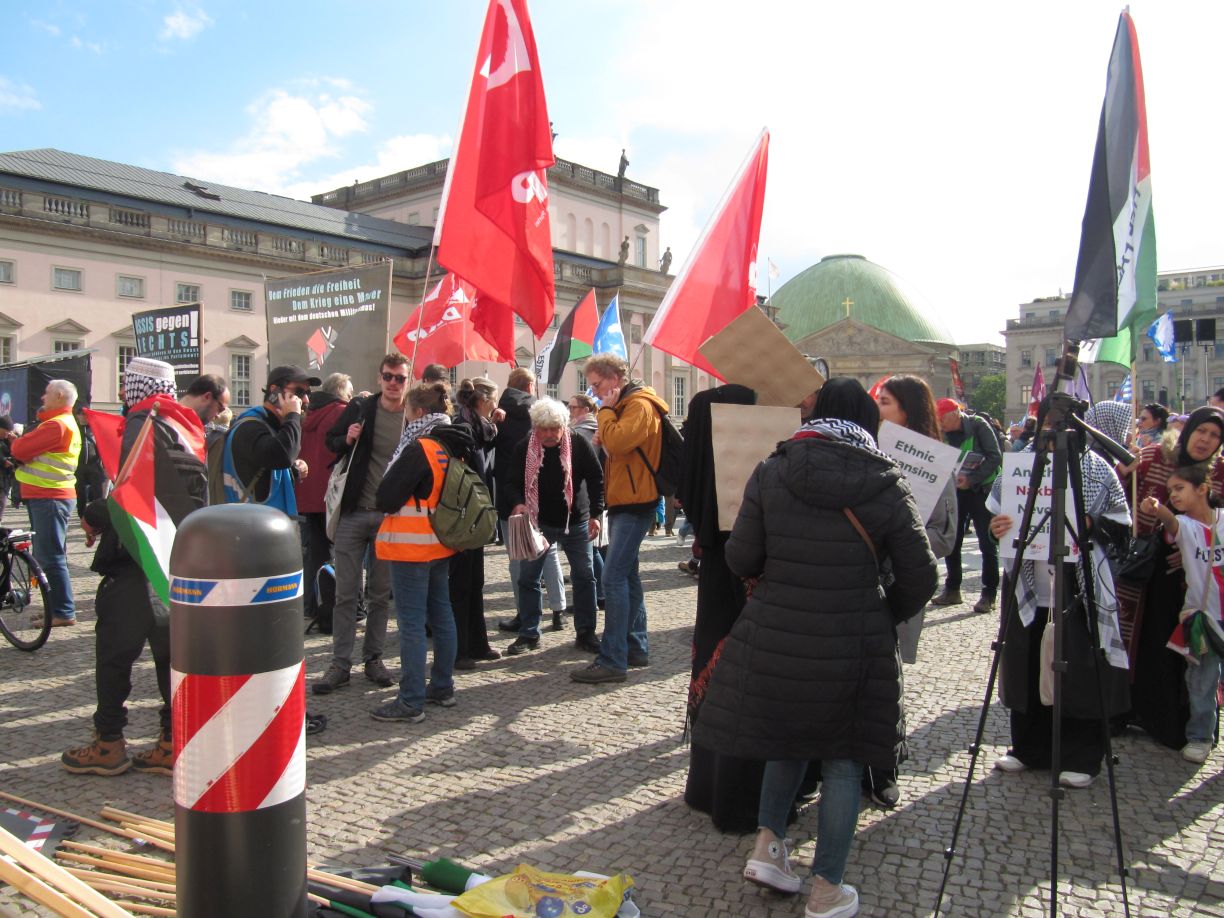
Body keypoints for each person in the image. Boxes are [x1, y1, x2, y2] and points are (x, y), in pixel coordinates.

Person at [694, 378, 937, 918]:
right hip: (854, 641)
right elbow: (923, 577)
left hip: (779, 635)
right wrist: (883, 611)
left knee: (787, 742)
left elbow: (739, 559)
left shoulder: (772, 469)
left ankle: (769, 848)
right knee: (844, 763)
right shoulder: (886, 481)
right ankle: (827, 888)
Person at [60, 360, 209, 776]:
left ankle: (108, 743)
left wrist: (93, 512)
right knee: (169, 656)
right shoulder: (182, 424)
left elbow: (131, 497)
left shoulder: (144, 424)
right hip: (176, 560)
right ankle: (170, 739)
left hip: (136, 561)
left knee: (113, 656)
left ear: (135, 388)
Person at [988, 398, 1132, 788]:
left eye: (1060, 424)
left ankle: (1082, 755)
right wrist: (997, 526)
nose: (1053, 431)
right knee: (1027, 665)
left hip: (1078, 588)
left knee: (1081, 673)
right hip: (1030, 585)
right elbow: (998, 514)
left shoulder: (1096, 468)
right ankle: (1028, 747)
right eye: (1047, 423)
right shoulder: (1021, 466)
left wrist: (1090, 521)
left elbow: (1122, 527)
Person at [680, 382, 766, 833]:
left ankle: (705, 785)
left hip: (716, 568)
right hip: (747, 580)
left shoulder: (703, 493)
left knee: (713, 671)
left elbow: (692, 493)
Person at [871, 374, 958, 808]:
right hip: (859, 579)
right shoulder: (868, 449)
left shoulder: (936, 462)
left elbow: (946, 534)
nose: (878, 409)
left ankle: (884, 769)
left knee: (888, 679)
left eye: (884, 402)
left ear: (907, 408)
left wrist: (904, 549)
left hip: (901, 584)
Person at [1117, 405, 1224, 748]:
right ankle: (1140, 712)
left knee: (1197, 653)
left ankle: (1190, 724)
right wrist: (1125, 471)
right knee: (1151, 642)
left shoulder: (1219, 471)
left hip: (1199, 580)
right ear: (1189, 429)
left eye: (1215, 436)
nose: (1205, 440)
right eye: (1201, 431)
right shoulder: (1155, 456)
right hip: (1152, 572)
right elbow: (1120, 492)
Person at [371, 382, 475, 723]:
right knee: (442, 614)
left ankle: (411, 700)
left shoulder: (420, 448)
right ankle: (442, 686)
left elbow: (385, 497)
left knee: (412, 624)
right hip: (440, 543)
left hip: (410, 545)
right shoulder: (452, 445)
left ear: (416, 413)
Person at [312, 356, 408, 694]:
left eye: (400, 378)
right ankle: (340, 663)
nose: (394, 383)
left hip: (389, 516)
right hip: (353, 511)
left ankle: (374, 659)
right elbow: (331, 443)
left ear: (407, 381)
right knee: (345, 593)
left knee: (380, 594)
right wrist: (347, 438)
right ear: (379, 378)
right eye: (388, 377)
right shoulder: (362, 407)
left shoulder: (412, 416)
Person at [573, 353, 670, 684]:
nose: (595, 391)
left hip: (636, 501)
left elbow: (617, 440)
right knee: (626, 575)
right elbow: (613, 444)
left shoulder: (638, 405)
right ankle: (635, 646)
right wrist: (609, 420)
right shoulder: (626, 406)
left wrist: (606, 414)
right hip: (626, 499)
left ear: (614, 379)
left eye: (598, 385)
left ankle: (613, 658)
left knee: (612, 577)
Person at [504, 398, 604, 655]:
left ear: (563, 426)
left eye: (554, 428)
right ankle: (529, 633)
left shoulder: (578, 443)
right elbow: (511, 481)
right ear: (535, 427)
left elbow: (596, 479)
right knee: (528, 578)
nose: (549, 434)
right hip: (537, 523)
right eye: (543, 429)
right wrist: (518, 504)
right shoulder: (525, 447)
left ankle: (586, 633)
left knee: (584, 577)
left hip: (577, 521)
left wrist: (596, 514)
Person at [1142, 464, 1224, 764]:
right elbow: (1170, 522)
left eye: (1179, 489)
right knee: (1201, 681)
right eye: (1170, 490)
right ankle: (1200, 736)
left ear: (1202, 489)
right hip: (1203, 617)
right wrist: (1156, 507)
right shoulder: (1184, 527)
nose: (1173, 495)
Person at [1, 379, 83, 626]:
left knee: (51, 557)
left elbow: (21, 450)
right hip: (49, 496)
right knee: (50, 555)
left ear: (59, 396)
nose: (42, 398)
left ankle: (63, 612)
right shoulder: (58, 423)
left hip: (50, 497)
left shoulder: (57, 425)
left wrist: (15, 440)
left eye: (46, 393)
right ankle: (56, 608)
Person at [495, 369, 567, 632]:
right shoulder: (540, 413)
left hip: (510, 494)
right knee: (549, 553)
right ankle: (559, 610)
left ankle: (524, 614)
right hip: (541, 493)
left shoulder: (498, 413)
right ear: (528, 386)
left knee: (517, 556)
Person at [450, 377, 504, 670]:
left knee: (475, 582)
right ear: (483, 401)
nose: (496, 406)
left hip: (477, 514)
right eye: (493, 400)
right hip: (462, 516)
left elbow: (485, 441)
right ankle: (460, 650)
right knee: (461, 584)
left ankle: (478, 643)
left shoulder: (478, 427)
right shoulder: (463, 428)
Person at [931, 398, 1002, 614]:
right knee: (952, 541)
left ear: (955, 414)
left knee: (987, 543)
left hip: (981, 492)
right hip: (956, 493)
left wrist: (971, 480)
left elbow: (995, 457)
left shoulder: (979, 425)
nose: (940, 425)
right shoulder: (941, 434)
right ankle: (952, 589)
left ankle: (989, 594)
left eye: (942, 420)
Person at [296, 372, 351, 630]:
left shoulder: (307, 413)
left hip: (307, 492)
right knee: (338, 555)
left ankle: (313, 607)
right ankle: (331, 612)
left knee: (314, 555)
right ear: (341, 392)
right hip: (332, 494)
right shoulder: (341, 412)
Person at [222, 365, 316, 514]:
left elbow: (265, 471)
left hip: (267, 525)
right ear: (274, 391)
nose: (305, 399)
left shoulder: (272, 427)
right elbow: (282, 456)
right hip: (248, 527)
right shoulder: (249, 427)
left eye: (308, 393)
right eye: (298, 392)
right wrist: (292, 416)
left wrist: (294, 470)